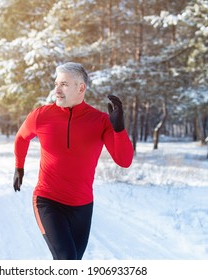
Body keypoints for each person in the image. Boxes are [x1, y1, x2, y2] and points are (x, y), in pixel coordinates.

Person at [13, 62, 134, 260]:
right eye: (56, 84)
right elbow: (21, 137)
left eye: (64, 85)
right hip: (48, 200)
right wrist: (19, 166)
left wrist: (119, 129)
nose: (57, 90)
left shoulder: (100, 120)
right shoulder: (41, 115)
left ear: (81, 88)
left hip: (83, 206)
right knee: (66, 259)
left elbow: (124, 160)